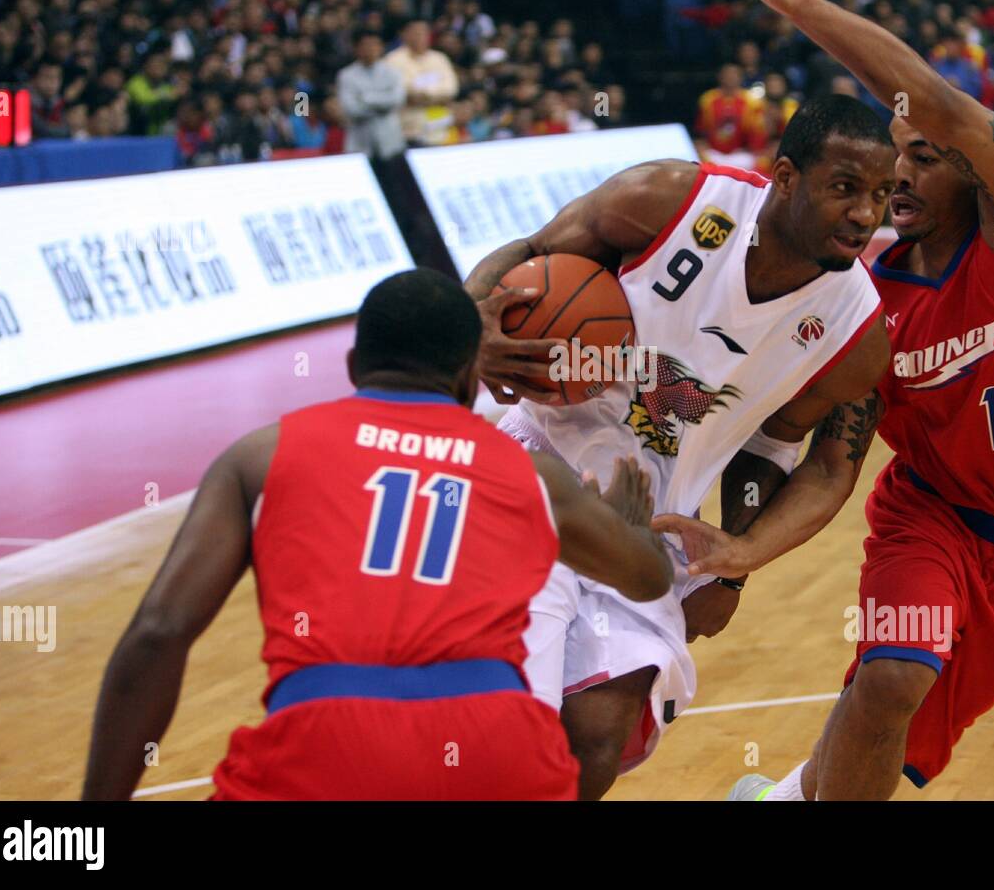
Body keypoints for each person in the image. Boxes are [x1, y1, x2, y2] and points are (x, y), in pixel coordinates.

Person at [729, 0, 994, 801]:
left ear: (976, 173)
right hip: (927, 522)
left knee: (886, 742)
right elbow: (829, 454)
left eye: (925, 158)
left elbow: (941, 105)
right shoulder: (867, 302)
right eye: (896, 157)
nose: (899, 174)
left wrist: (797, 6)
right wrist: (736, 551)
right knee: (893, 678)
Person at [82, 269, 673, 801]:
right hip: (496, 751)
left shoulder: (261, 457)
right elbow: (648, 579)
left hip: (324, 742)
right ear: (470, 378)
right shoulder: (530, 474)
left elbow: (158, 633)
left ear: (352, 366)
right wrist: (628, 527)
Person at [465, 94, 896, 799]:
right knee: (511, 722)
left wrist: (736, 564)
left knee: (600, 736)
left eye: (879, 194)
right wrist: (472, 323)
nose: (863, 214)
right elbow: (534, 255)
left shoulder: (855, 334)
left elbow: (816, 461)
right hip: (530, 464)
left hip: (646, 525)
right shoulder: (669, 201)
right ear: (786, 178)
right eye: (843, 188)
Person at [336, 29, 406, 160]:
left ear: (381, 47)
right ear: (356, 48)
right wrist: (383, 105)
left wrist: (366, 98)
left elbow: (397, 100)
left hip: (391, 142)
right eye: (366, 45)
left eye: (375, 44)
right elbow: (352, 110)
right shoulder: (346, 75)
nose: (371, 49)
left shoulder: (393, 72)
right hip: (360, 142)